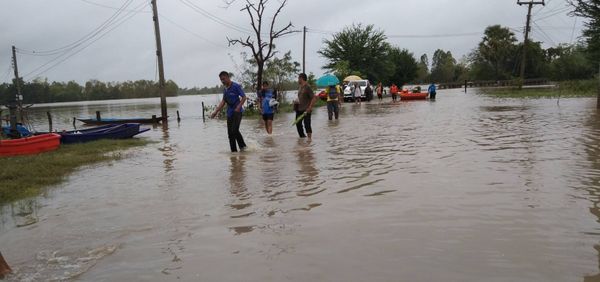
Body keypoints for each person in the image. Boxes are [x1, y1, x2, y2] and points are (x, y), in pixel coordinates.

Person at [210, 71, 247, 152]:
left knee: (235, 130)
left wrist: (238, 107)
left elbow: (244, 97)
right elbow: (223, 101)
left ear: (228, 77)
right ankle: (233, 152)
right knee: (230, 134)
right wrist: (216, 111)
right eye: (221, 80)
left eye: (223, 79)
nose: (222, 81)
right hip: (229, 113)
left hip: (238, 112)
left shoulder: (236, 86)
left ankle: (243, 147)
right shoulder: (225, 89)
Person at [294, 73, 317, 140]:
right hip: (299, 109)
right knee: (298, 124)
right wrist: (295, 102)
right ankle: (302, 138)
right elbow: (300, 97)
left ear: (301, 78)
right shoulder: (300, 87)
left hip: (306, 109)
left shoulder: (307, 87)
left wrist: (310, 107)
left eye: (298, 78)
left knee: (307, 124)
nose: (298, 80)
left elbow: (314, 98)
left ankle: (309, 139)